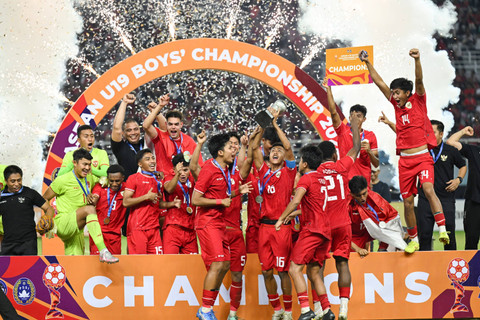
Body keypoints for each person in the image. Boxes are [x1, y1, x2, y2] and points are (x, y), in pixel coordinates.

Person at [360, 48, 449, 253]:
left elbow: (419, 80)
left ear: (407, 93)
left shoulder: (418, 100)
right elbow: (380, 83)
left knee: (428, 190)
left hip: (423, 157)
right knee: (408, 203)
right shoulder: (395, 105)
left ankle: (442, 230)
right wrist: (367, 64)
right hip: (405, 162)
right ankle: (414, 240)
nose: (394, 96)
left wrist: (417, 60)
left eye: (397, 92)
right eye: (393, 93)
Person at [191, 133, 250, 320]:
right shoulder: (209, 169)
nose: (234, 151)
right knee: (218, 263)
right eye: (230, 148)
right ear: (219, 151)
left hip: (219, 223)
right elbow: (195, 199)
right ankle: (205, 309)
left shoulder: (224, 169)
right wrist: (220, 201)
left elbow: (222, 197)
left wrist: (235, 193)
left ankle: (207, 308)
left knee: (224, 264)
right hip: (207, 222)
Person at [275, 145, 332, 320]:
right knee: (314, 272)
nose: (298, 163)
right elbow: (316, 206)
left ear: (305, 164)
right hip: (325, 232)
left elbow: (295, 201)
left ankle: (306, 310)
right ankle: (327, 310)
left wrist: (281, 218)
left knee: (294, 269)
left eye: (300, 161)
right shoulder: (323, 179)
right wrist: (296, 213)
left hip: (312, 230)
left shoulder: (305, 180)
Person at [315, 115, 361, 320]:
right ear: (334, 155)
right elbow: (356, 149)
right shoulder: (342, 166)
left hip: (322, 227)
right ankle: (343, 309)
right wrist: (357, 128)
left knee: (318, 268)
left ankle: (320, 310)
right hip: (343, 224)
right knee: (343, 264)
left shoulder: (314, 172)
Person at [253, 108, 297, 320]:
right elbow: (254, 150)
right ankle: (277, 309)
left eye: (279, 150)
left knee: (282, 271)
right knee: (266, 272)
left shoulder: (288, 172)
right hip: (264, 227)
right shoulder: (263, 171)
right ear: (268, 153)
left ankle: (288, 311)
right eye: (274, 150)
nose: (277, 151)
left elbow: (288, 147)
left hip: (281, 227)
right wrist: (262, 127)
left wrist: (277, 126)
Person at [43, 149, 118, 263]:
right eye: (84, 164)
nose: (87, 168)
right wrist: (48, 218)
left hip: (77, 228)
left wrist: (93, 195)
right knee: (90, 209)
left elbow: (105, 179)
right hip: (64, 222)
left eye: (89, 164)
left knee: (76, 263)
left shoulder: (90, 178)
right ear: (74, 163)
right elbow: (44, 198)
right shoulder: (63, 180)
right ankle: (103, 251)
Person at [416, 120, 466, 251]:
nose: (429, 135)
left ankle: (451, 267)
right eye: (427, 132)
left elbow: (463, 165)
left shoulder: (450, 150)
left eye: (433, 132)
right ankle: (424, 268)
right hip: (425, 199)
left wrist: (458, 180)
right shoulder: (421, 150)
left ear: (441, 134)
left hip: (445, 199)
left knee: (449, 236)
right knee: (425, 236)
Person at [123, 149, 181, 255]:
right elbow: (126, 202)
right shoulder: (133, 178)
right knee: (140, 266)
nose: (152, 161)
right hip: (138, 228)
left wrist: (172, 204)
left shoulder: (157, 181)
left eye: (153, 158)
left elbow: (158, 203)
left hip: (154, 228)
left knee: (156, 264)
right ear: (140, 164)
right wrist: (146, 197)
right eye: (147, 159)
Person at [323, 78, 379, 184]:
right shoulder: (343, 130)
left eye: (359, 116)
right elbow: (333, 112)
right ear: (349, 117)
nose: (355, 119)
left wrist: (369, 152)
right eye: (353, 116)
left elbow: (376, 164)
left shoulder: (370, 135)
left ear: (364, 119)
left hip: (363, 182)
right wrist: (328, 89)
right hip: (346, 180)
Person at [0, 165, 54, 255]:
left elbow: (49, 208)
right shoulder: (1, 197)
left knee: (30, 269)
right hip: (8, 244)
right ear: (6, 181)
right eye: (12, 181)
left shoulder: (30, 193)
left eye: (19, 180)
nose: (16, 184)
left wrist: (47, 218)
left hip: (28, 243)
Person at [143, 94, 201, 176]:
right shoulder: (160, 136)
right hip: (166, 183)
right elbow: (146, 126)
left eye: (176, 124)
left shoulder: (189, 141)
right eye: (170, 124)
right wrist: (159, 106)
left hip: (185, 183)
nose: (173, 127)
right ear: (166, 124)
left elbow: (198, 167)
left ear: (181, 125)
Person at [348, 176, 407, 252]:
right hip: (355, 237)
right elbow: (342, 234)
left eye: (364, 193)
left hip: (372, 233)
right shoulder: (347, 205)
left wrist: (384, 246)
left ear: (367, 188)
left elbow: (391, 218)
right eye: (359, 196)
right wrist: (357, 249)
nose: (362, 198)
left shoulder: (376, 199)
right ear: (352, 194)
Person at [162, 147, 202, 254]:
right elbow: (169, 189)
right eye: (180, 170)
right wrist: (177, 174)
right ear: (174, 170)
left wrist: (199, 145)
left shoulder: (193, 180)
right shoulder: (169, 178)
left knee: (192, 266)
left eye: (186, 170)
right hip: (173, 228)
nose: (183, 174)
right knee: (170, 265)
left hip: (190, 230)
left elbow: (202, 177)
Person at [446, 126, 480, 250]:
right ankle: (472, 269)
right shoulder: (474, 151)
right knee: (471, 242)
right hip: (474, 201)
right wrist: (462, 132)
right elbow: (450, 142)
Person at [89, 165, 127, 255]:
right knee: (97, 265)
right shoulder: (100, 187)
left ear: (122, 178)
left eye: (117, 181)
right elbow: (94, 199)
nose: (114, 184)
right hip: (98, 233)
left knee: (114, 266)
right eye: (111, 181)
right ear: (107, 178)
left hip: (115, 235)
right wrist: (92, 199)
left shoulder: (127, 188)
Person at [111, 93, 144, 179]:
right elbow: (117, 127)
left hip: (148, 188)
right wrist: (124, 102)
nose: (133, 133)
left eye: (136, 129)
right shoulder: (120, 147)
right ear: (123, 133)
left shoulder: (146, 143)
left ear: (140, 130)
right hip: (128, 189)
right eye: (129, 130)